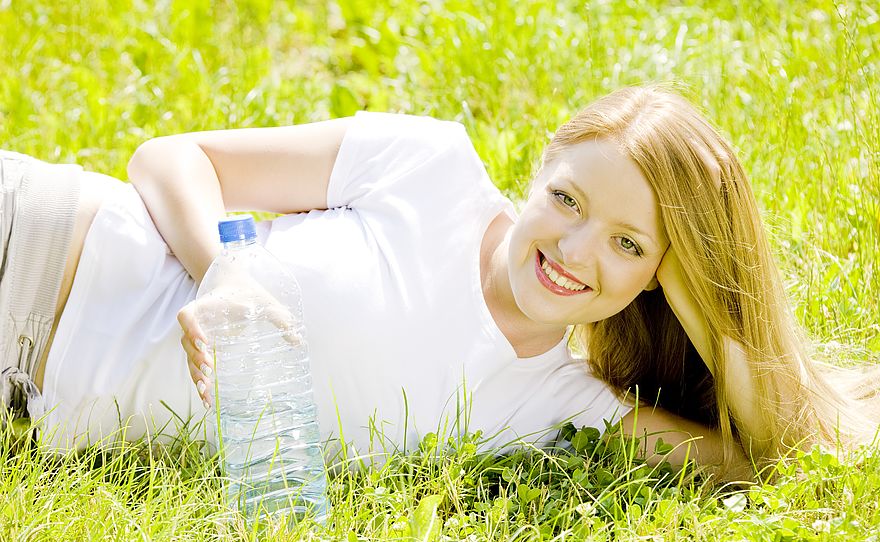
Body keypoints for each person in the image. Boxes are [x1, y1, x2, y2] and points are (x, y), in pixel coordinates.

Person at [2, 84, 877, 485]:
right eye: (566, 198)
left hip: (29, 410)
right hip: (41, 249)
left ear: (661, 277)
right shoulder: (431, 171)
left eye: (625, 243)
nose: (574, 249)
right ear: (539, 169)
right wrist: (224, 267)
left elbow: (762, 458)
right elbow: (170, 158)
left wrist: (717, 309)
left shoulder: (552, 403)